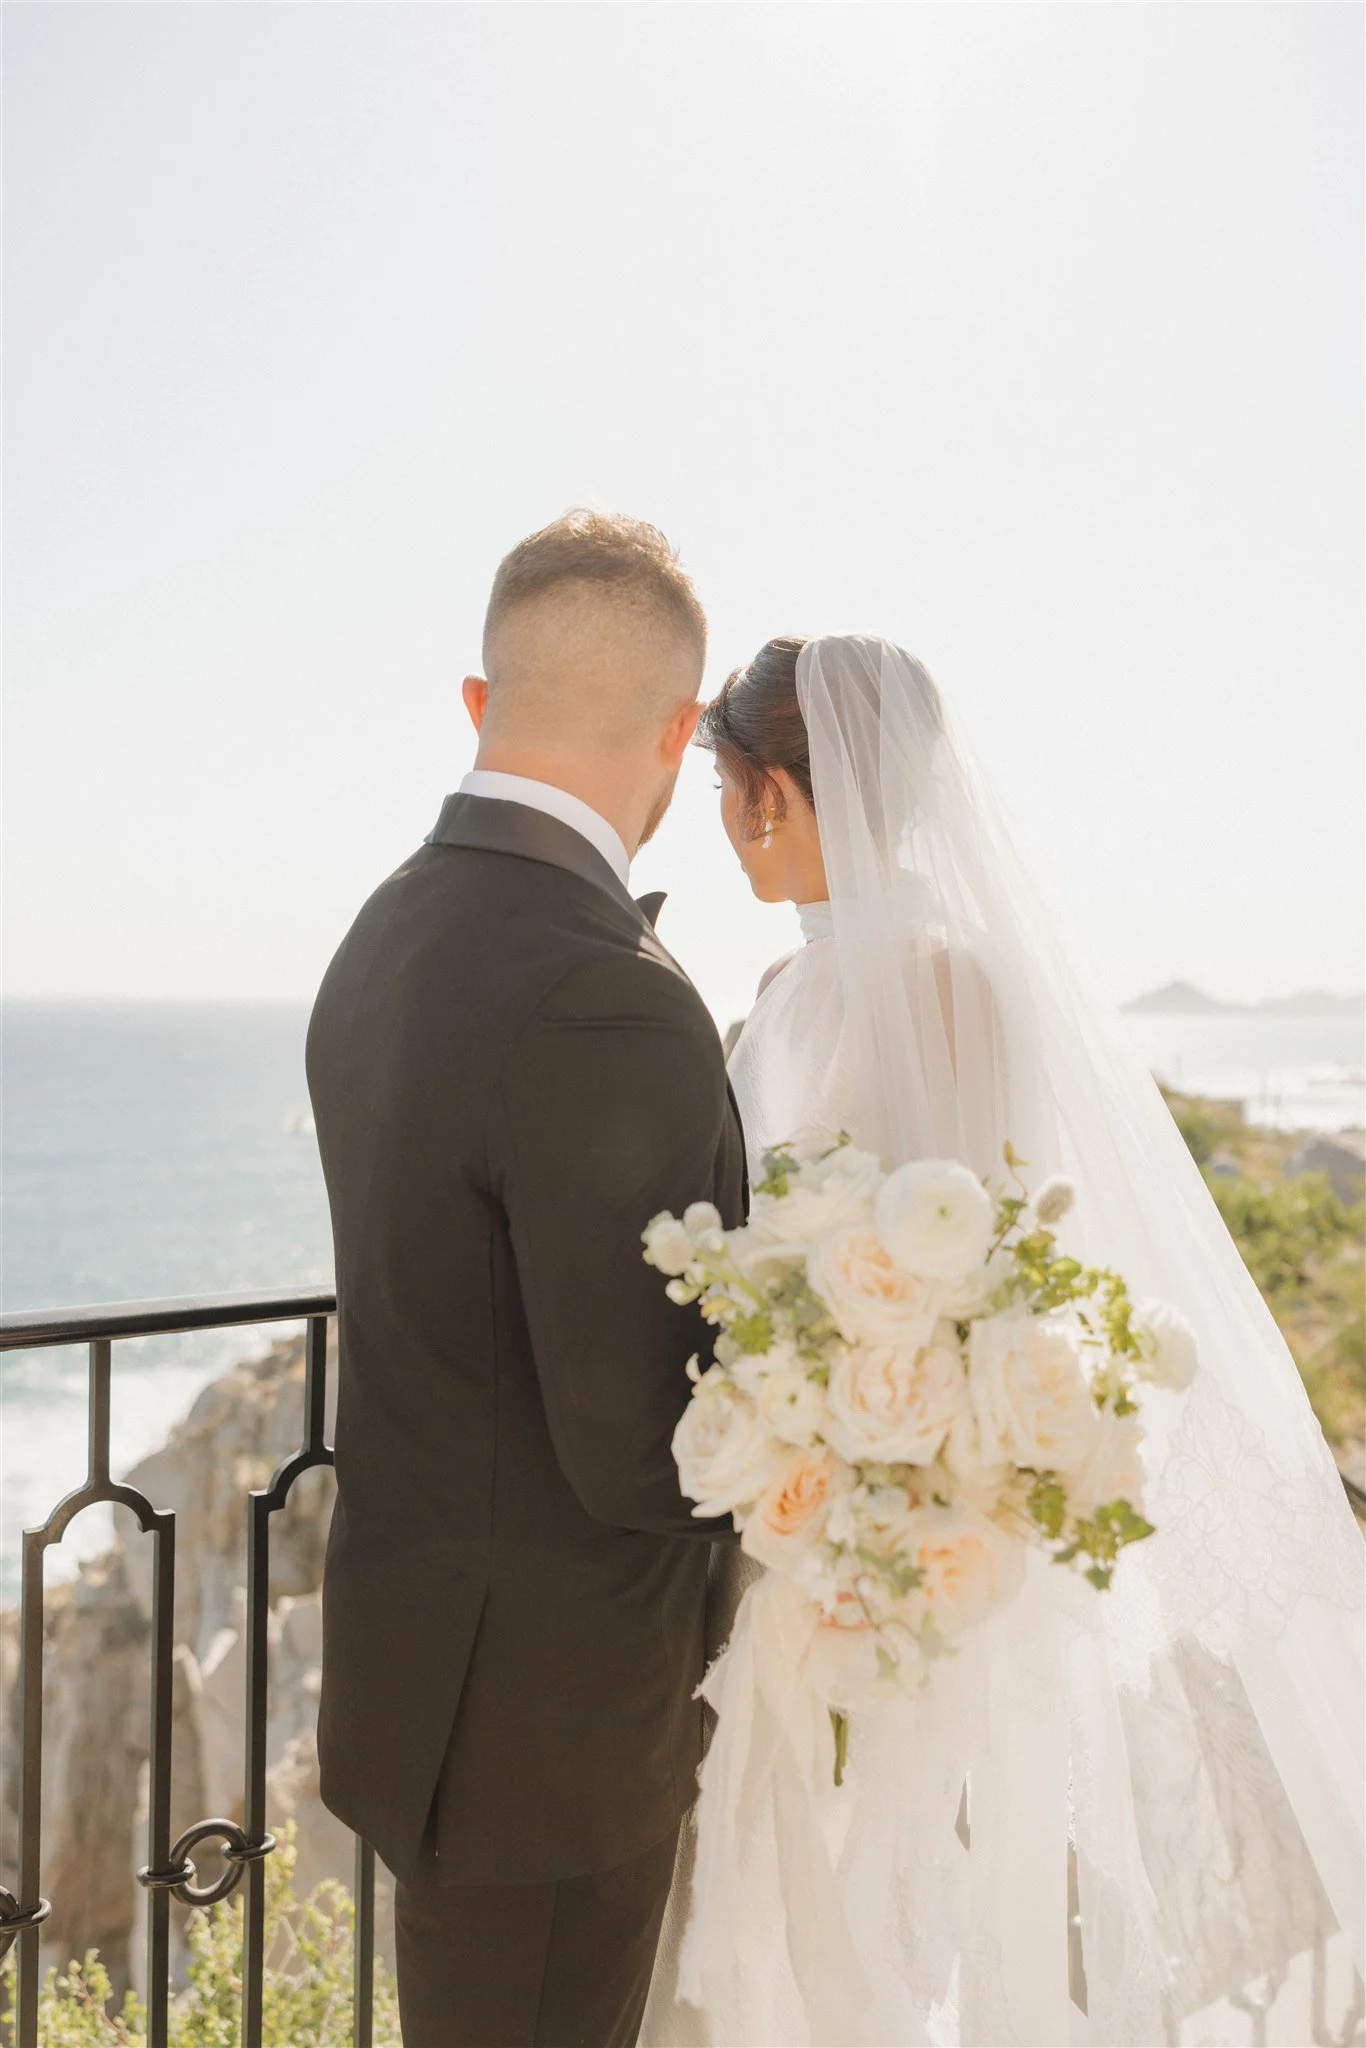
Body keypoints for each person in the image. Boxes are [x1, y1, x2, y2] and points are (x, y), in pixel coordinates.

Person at [642, 635, 1365, 2047]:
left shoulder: (847, 988)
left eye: (731, 795)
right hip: (896, 1479)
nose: (728, 834)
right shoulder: (937, 972)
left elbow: (957, 1245)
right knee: (872, 1857)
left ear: (775, 794)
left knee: (836, 1862)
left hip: (855, 1501)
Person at [306, 510, 747, 2048]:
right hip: (553, 1733)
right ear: (680, 733)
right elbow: (642, 1451)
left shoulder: (385, 927)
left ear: (479, 703)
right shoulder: (598, 993)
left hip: (424, 1676)